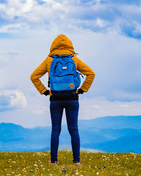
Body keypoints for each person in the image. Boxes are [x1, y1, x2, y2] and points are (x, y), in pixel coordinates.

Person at [30, 34, 95, 166]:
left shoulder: (49, 60)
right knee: (74, 129)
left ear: (53, 46)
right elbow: (91, 73)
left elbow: (34, 76)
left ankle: (53, 161)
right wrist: (82, 90)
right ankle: (76, 161)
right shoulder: (74, 59)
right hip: (72, 98)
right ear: (70, 46)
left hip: (55, 99)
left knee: (55, 130)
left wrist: (44, 91)